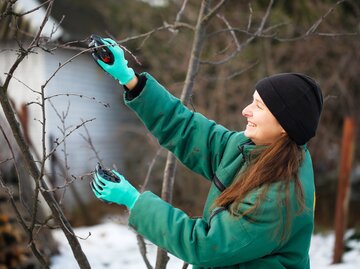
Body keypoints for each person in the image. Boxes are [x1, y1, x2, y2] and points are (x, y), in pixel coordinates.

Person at [90, 37, 323, 269]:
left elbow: (204, 245)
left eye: (258, 106)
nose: (245, 111)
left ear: (285, 125)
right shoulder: (251, 149)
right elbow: (187, 130)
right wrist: (130, 79)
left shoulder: (279, 198)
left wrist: (134, 200)